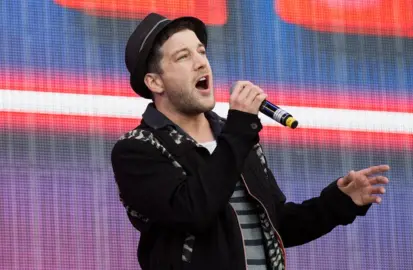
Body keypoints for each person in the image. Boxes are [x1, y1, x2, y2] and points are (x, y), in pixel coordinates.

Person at [111, 13, 390, 270]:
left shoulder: (235, 136)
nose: (201, 62)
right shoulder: (137, 149)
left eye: (201, 51)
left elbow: (275, 223)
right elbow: (193, 210)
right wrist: (239, 130)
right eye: (183, 57)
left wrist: (338, 203)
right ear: (155, 83)